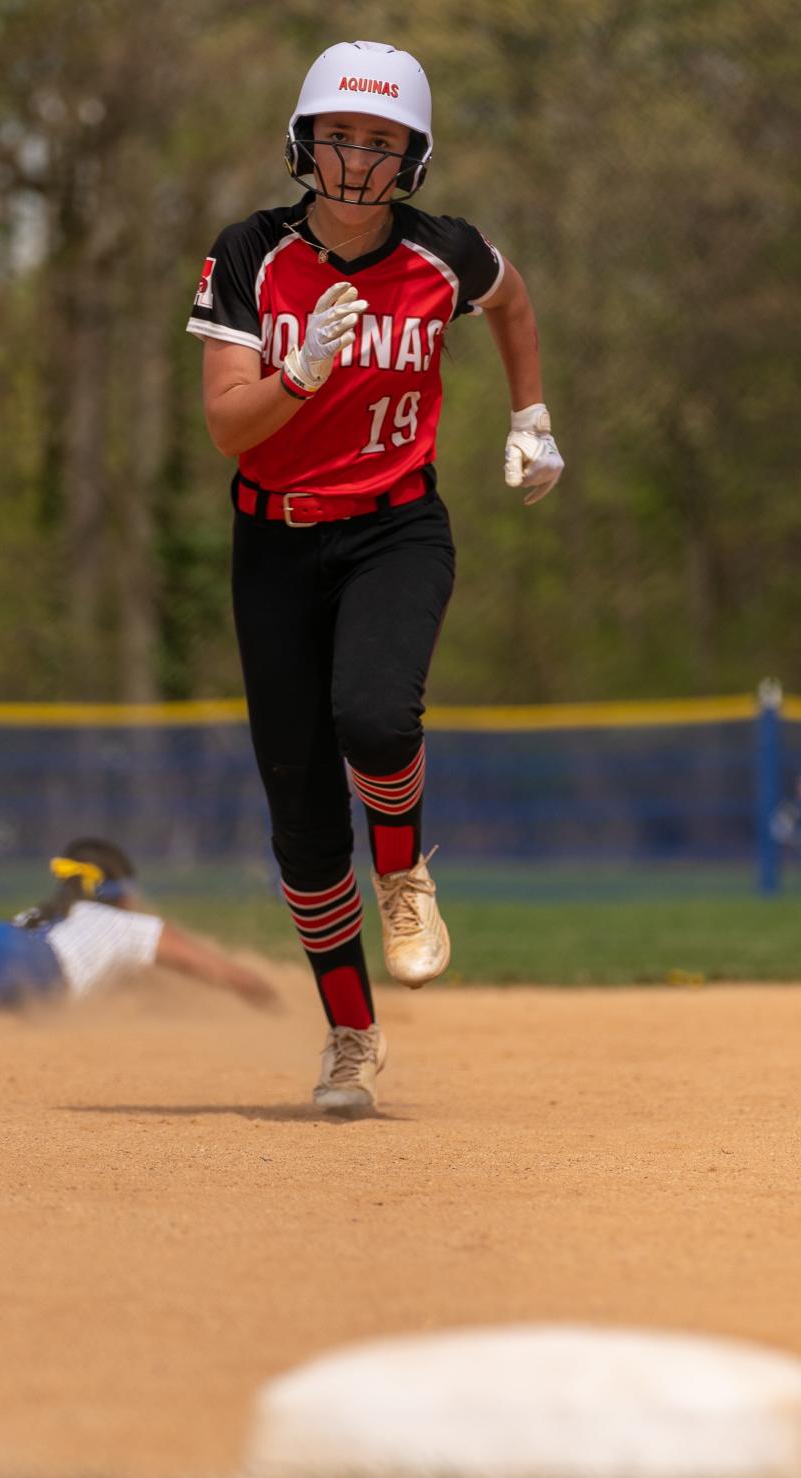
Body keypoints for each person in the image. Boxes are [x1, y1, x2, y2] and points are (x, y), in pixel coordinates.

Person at [186, 39, 564, 1111]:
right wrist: (298, 374)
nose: (358, 158)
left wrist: (531, 416)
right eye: (341, 135)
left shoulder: (444, 253)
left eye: (383, 140)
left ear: (415, 156)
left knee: (377, 715)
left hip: (396, 526)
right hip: (275, 540)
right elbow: (227, 426)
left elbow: (513, 299)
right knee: (302, 814)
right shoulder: (251, 252)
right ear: (305, 141)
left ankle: (402, 873)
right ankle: (350, 1035)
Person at [0, 806, 277, 1017]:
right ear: (121, 891)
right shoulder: (125, 924)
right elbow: (222, 973)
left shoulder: (49, 914)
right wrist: (272, 1000)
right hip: (30, 968)